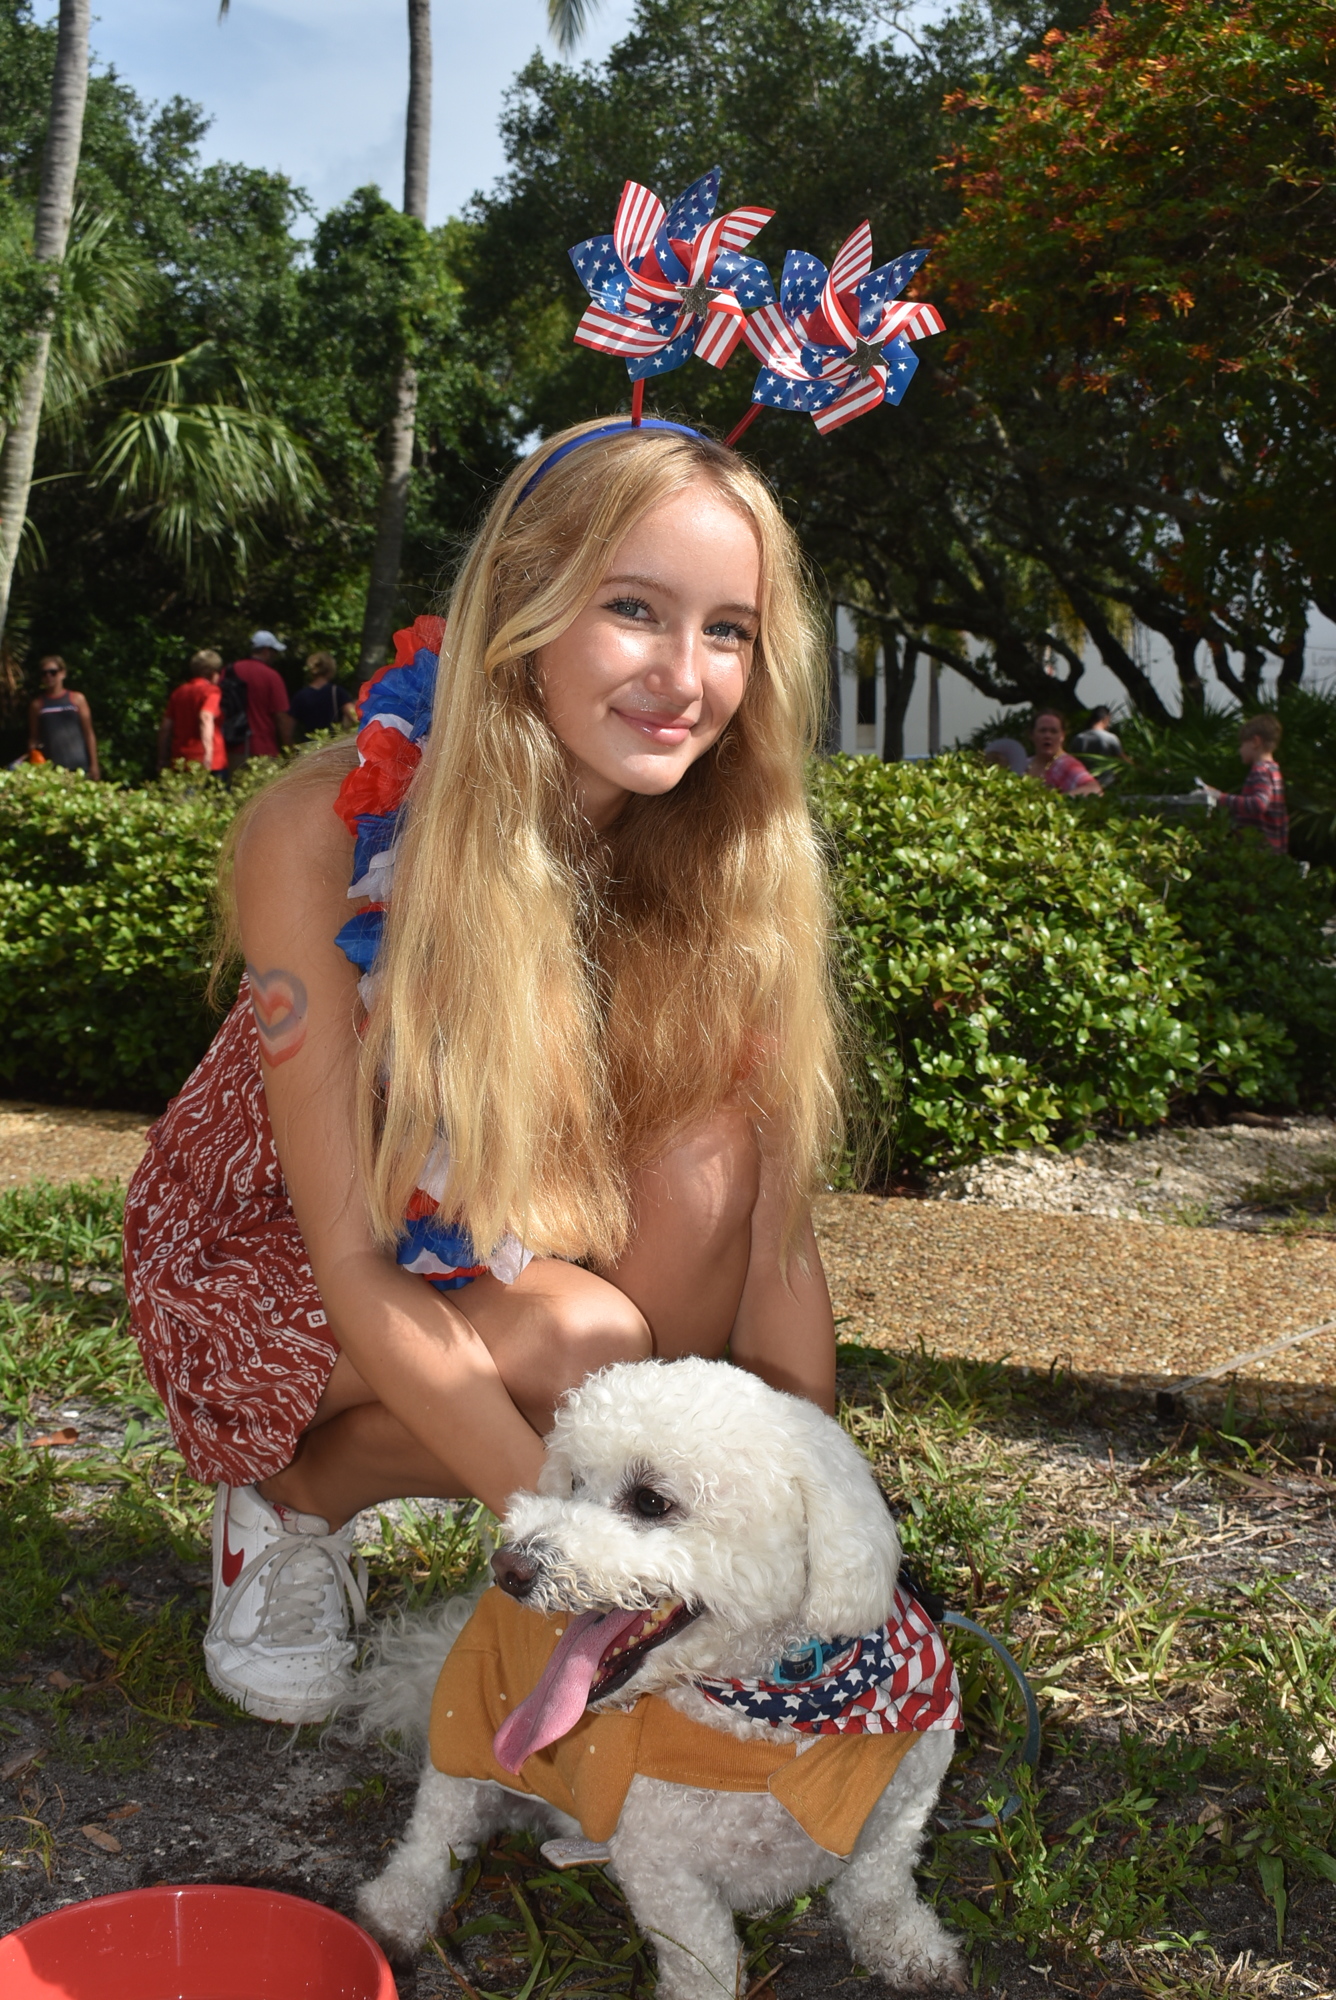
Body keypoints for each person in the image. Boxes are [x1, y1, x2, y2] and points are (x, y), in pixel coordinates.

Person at [122, 418, 843, 1725]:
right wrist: (587, 1557)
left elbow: (777, 1247)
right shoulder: (325, 830)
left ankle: (646, 1536)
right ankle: (288, 1510)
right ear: (523, 607)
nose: (686, 677)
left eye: (729, 629)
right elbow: (351, 1261)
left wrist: (815, 1538)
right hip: (271, 1251)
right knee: (586, 1342)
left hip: (514, 1232)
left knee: (710, 1167)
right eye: (634, 609)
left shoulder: (723, 855)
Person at [1201, 714, 1288, 854]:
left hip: (1257, 851)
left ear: (1255, 742)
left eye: (1242, 744)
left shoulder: (1260, 770)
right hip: (1272, 850)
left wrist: (1220, 797)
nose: (1240, 750)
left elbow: (1259, 803)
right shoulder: (1273, 770)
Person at [225, 629, 294, 770]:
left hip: (232, 747)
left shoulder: (229, 671)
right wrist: (289, 752)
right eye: (274, 652)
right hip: (263, 749)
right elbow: (281, 717)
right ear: (266, 650)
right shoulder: (271, 676)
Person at [158, 650, 228, 778]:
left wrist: (162, 758)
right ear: (213, 674)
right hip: (210, 761)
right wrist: (208, 753)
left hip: (181, 759)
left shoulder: (179, 692)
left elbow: (165, 728)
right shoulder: (211, 691)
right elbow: (205, 716)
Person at [28, 655, 99, 778]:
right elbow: (34, 738)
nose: (48, 676)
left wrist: (94, 765)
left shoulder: (77, 699)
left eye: (53, 672)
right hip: (52, 769)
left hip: (79, 765)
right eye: (44, 673)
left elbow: (89, 733)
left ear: (62, 673)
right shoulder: (37, 705)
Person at [1027, 709, 1102, 796]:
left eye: (1053, 731)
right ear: (1031, 735)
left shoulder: (1067, 764)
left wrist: (1057, 800)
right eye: (1042, 731)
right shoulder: (1024, 764)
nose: (1047, 736)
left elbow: (1095, 789)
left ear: (1062, 736)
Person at [289, 651, 357, 740]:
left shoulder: (300, 695)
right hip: (331, 743)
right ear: (330, 669)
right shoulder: (337, 692)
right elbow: (354, 716)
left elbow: (288, 728)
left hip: (309, 746)